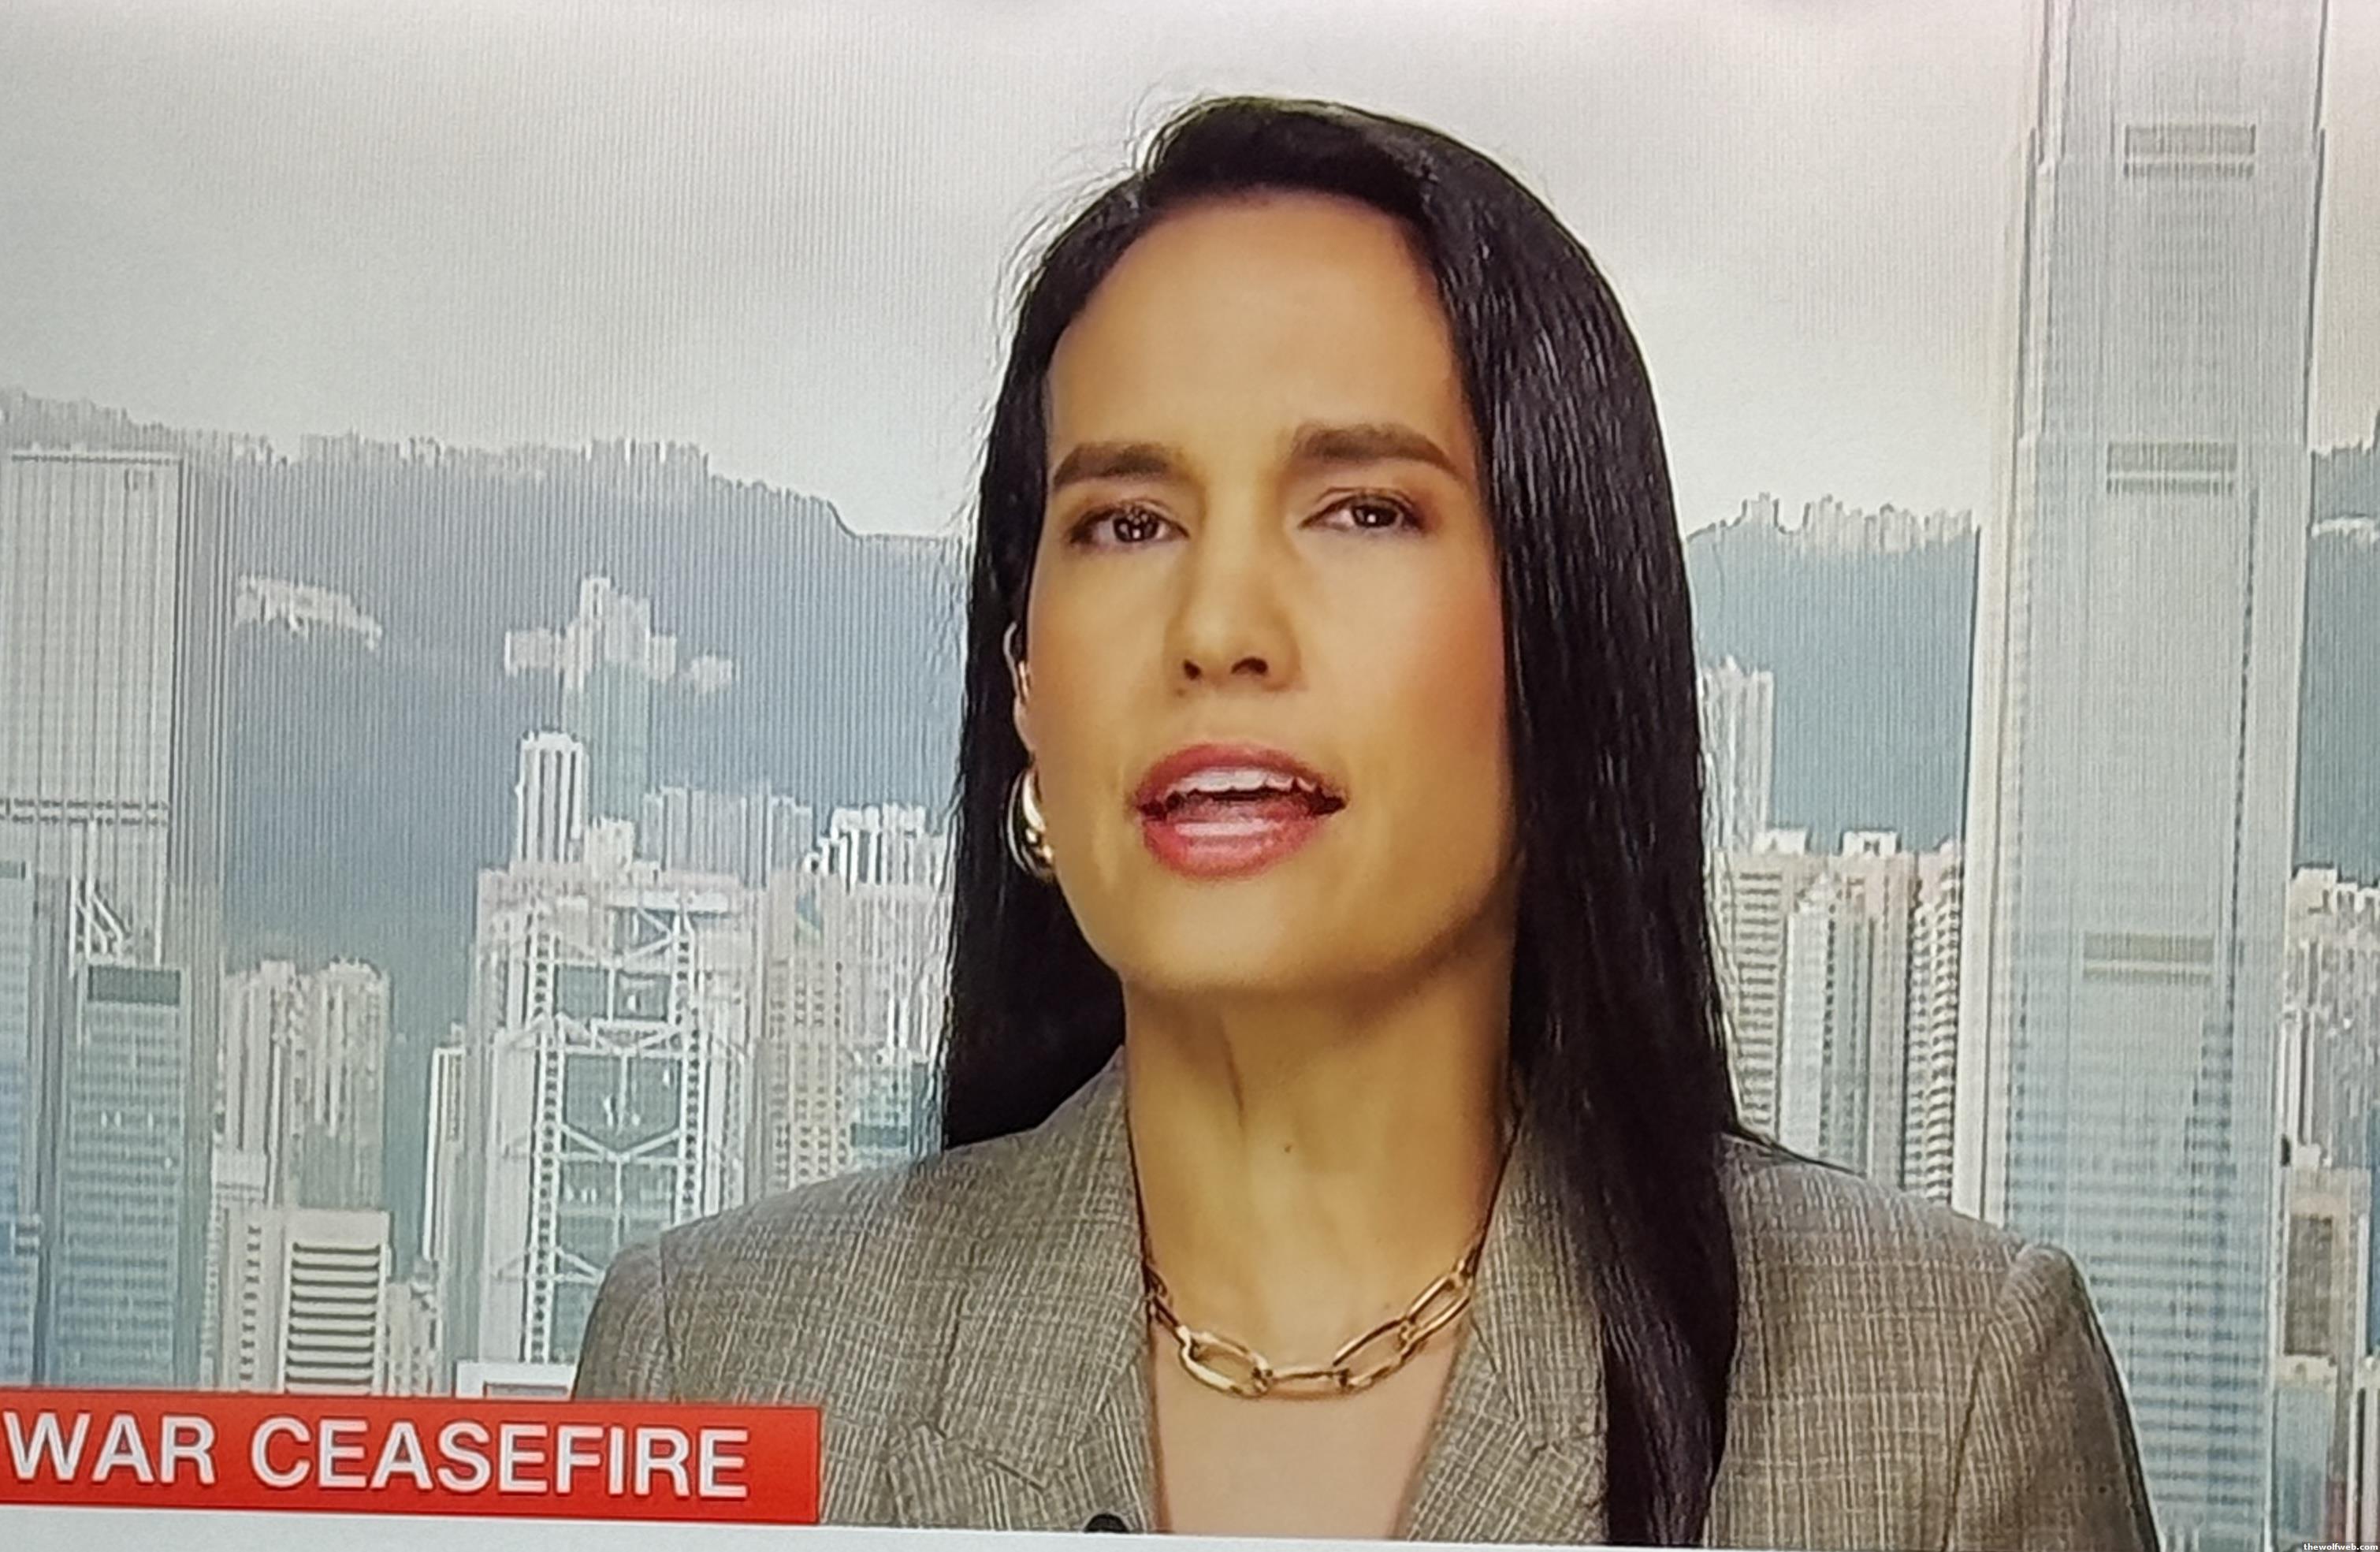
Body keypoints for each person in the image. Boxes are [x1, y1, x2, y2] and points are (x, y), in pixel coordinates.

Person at [575, 95, 2155, 1549]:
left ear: (1561, 638)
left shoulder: (1941, 1396)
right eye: (1127, 521)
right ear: (1027, 689)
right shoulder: (716, 1357)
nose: (1219, 627)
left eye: (1361, 508)